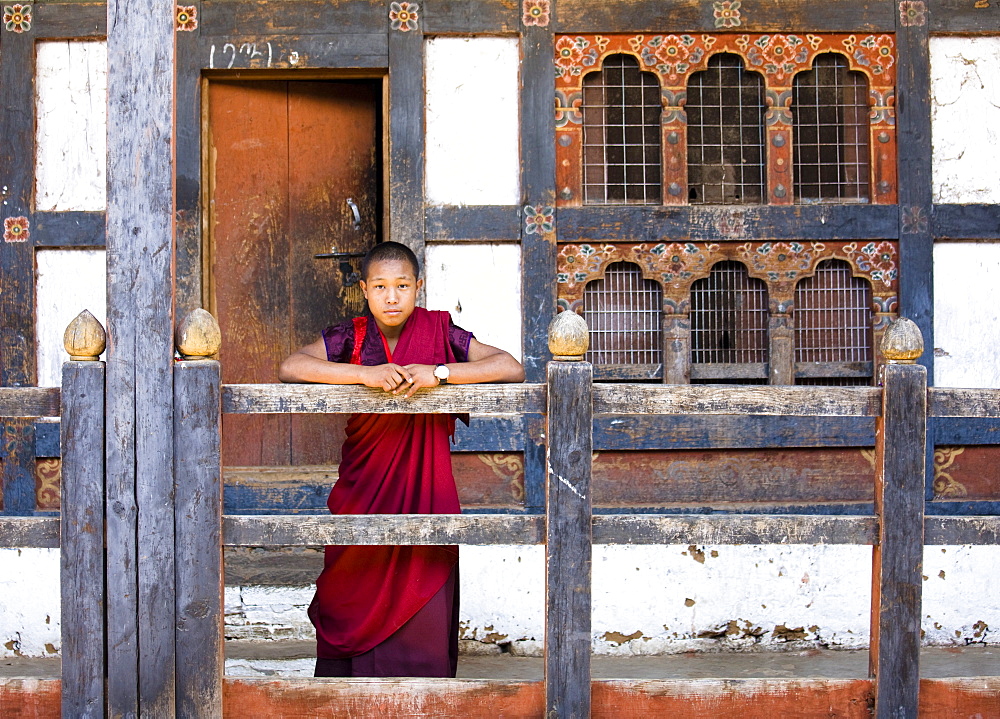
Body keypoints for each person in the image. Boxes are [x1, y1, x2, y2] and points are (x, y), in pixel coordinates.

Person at [278, 241, 524, 678]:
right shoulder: (350, 337)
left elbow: (509, 366)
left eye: (402, 286)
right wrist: (363, 375)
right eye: (381, 287)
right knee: (351, 579)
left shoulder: (441, 332)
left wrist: (440, 373)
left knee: (422, 571)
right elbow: (292, 366)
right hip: (365, 487)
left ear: (418, 288)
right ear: (365, 291)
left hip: (423, 490)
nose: (392, 297)